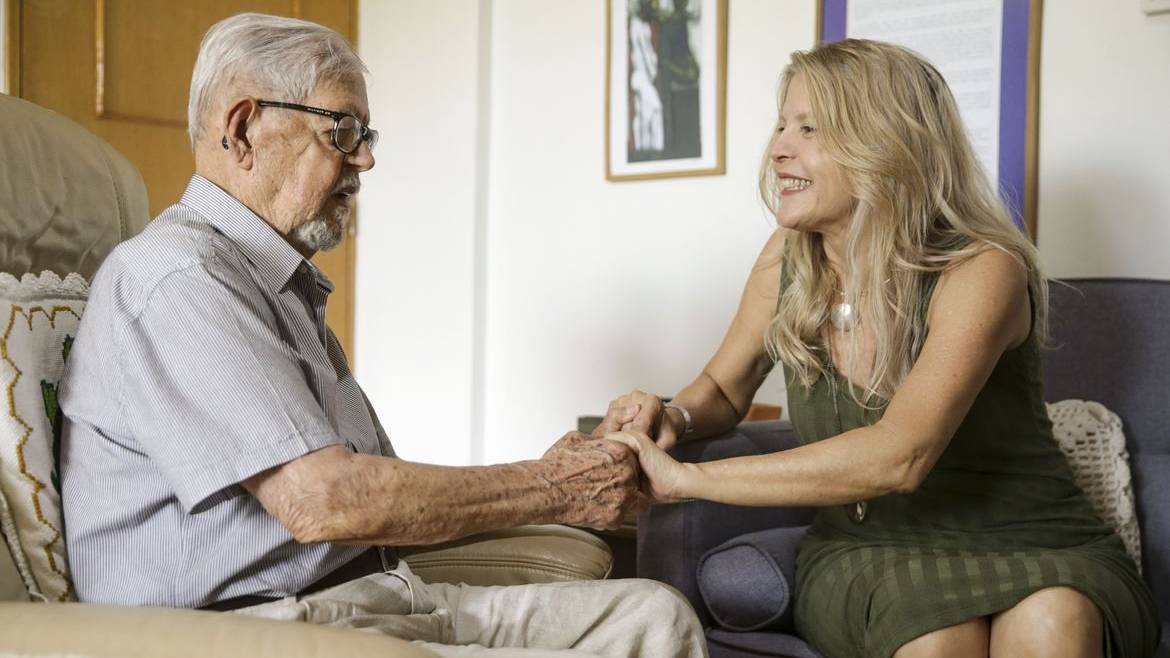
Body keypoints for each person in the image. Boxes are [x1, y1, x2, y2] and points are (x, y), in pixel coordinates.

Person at [59, 13, 706, 658]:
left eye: (364, 133)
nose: (365, 157)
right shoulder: (179, 279)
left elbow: (370, 492)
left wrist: (558, 474)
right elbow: (326, 502)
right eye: (341, 129)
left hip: (371, 597)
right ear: (244, 128)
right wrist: (555, 486)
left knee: (655, 617)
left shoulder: (272, 280)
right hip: (262, 628)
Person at [595, 39, 1159, 658]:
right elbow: (726, 389)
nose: (779, 147)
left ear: (887, 146)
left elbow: (901, 455)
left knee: (1052, 625)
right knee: (936, 637)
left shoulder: (982, 268)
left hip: (1033, 537)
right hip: (870, 549)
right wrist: (671, 415)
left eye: (810, 128)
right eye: (781, 124)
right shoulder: (786, 261)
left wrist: (688, 480)